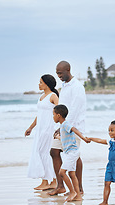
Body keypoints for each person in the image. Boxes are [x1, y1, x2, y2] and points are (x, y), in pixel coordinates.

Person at [49, 61, 86, 196]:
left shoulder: (77, 87)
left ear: (68, 70)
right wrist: (59, 126)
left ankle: (79, 188)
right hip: (63, 126)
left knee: (74, 155)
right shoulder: (64, 86)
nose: (58, 75)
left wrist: (64, 126)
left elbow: (75, 109)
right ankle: (61, 186)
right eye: (57, 73)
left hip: (74, 126)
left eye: (60, 73)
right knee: (54, 151)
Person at [25, 74, 59, 190]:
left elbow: (60, 112)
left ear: (47, 83)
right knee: (40, 152)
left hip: (48, 128)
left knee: (44, 153)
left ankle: (52, 181)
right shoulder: (41, 97)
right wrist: (30, 127)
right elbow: (39, 115)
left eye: (40, 82)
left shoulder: (53, 96)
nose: (39, 84)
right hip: (40, 128)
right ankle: (45, 181)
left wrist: (59, 128)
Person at [52, 104, 90, 202]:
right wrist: (57, 137)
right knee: (71, 174)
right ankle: (78, 195)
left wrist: (84, 138)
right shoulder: (63, 126)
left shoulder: (65, 124)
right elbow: (65, 139)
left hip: (72, 152)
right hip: (70, 153)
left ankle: (72, 192)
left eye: (53, 114)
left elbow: (74, 129)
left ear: (58, 115)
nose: (53, 117)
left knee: (62, 172)